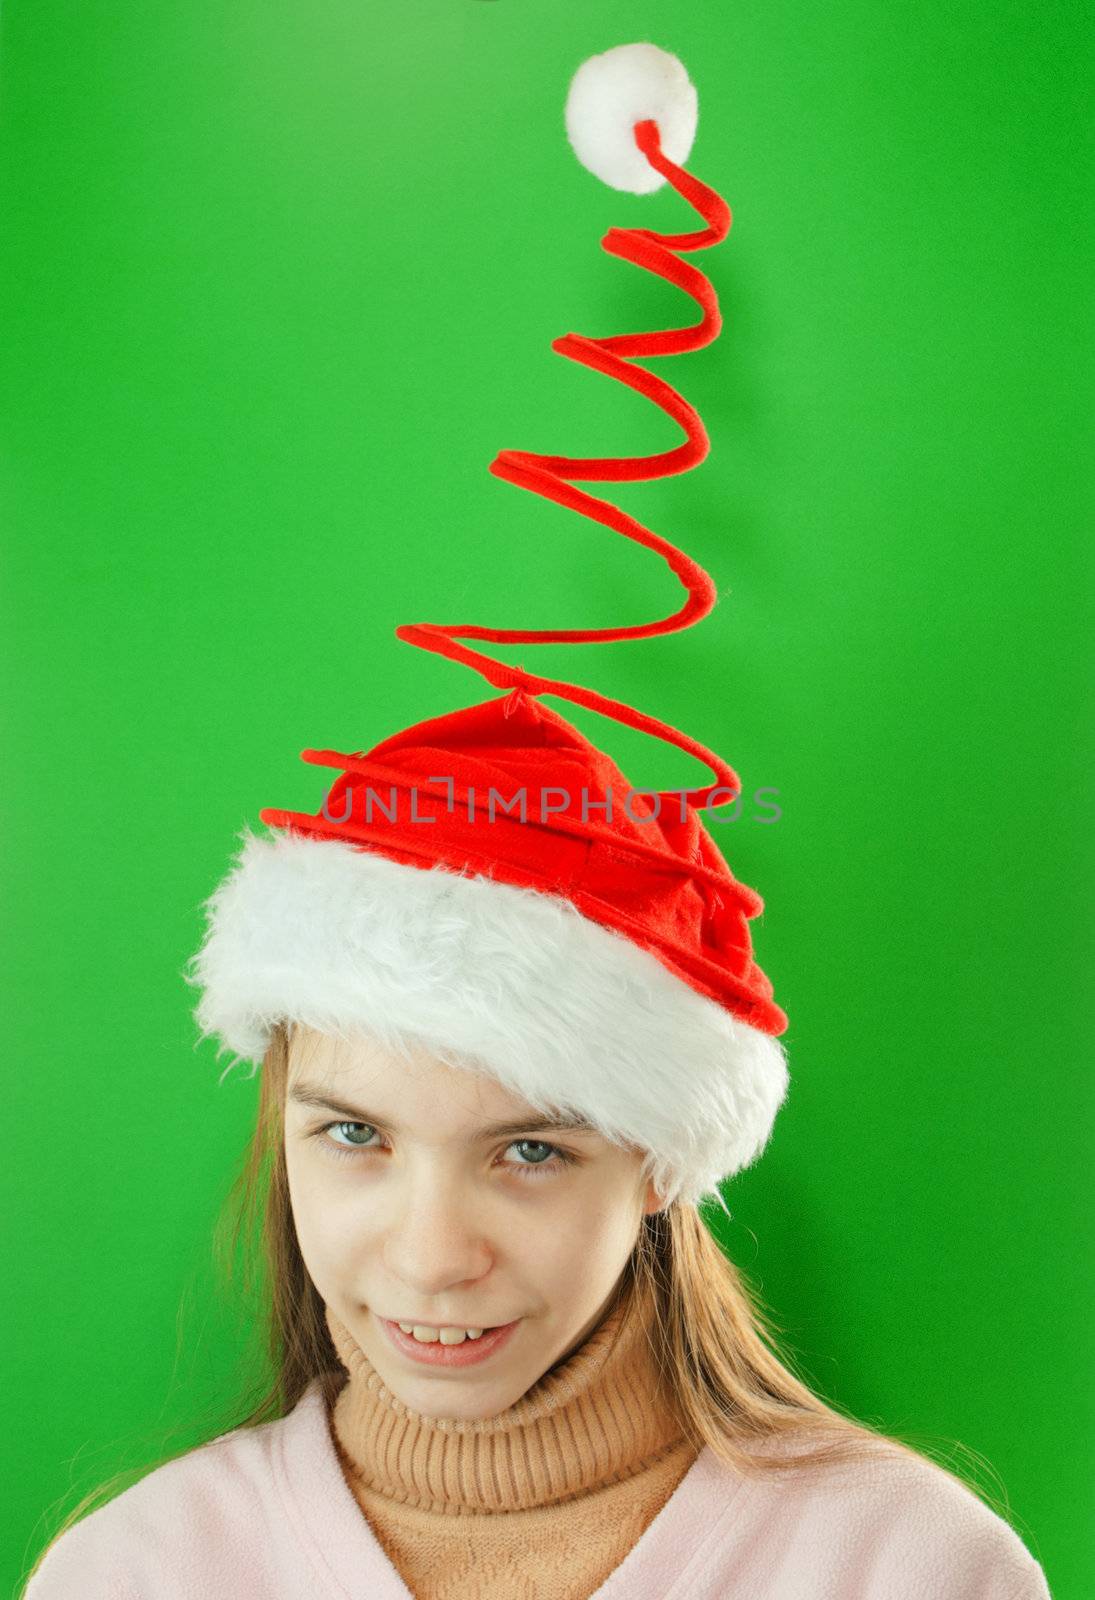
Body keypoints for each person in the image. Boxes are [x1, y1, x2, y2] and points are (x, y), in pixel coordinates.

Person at [21, 41, 1052, 1600]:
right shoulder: (138, 1575)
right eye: (354, 1137)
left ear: (655, 1159)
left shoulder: (903, 1567)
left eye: (529, 1150)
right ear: (280, 1128)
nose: (431, 1257)